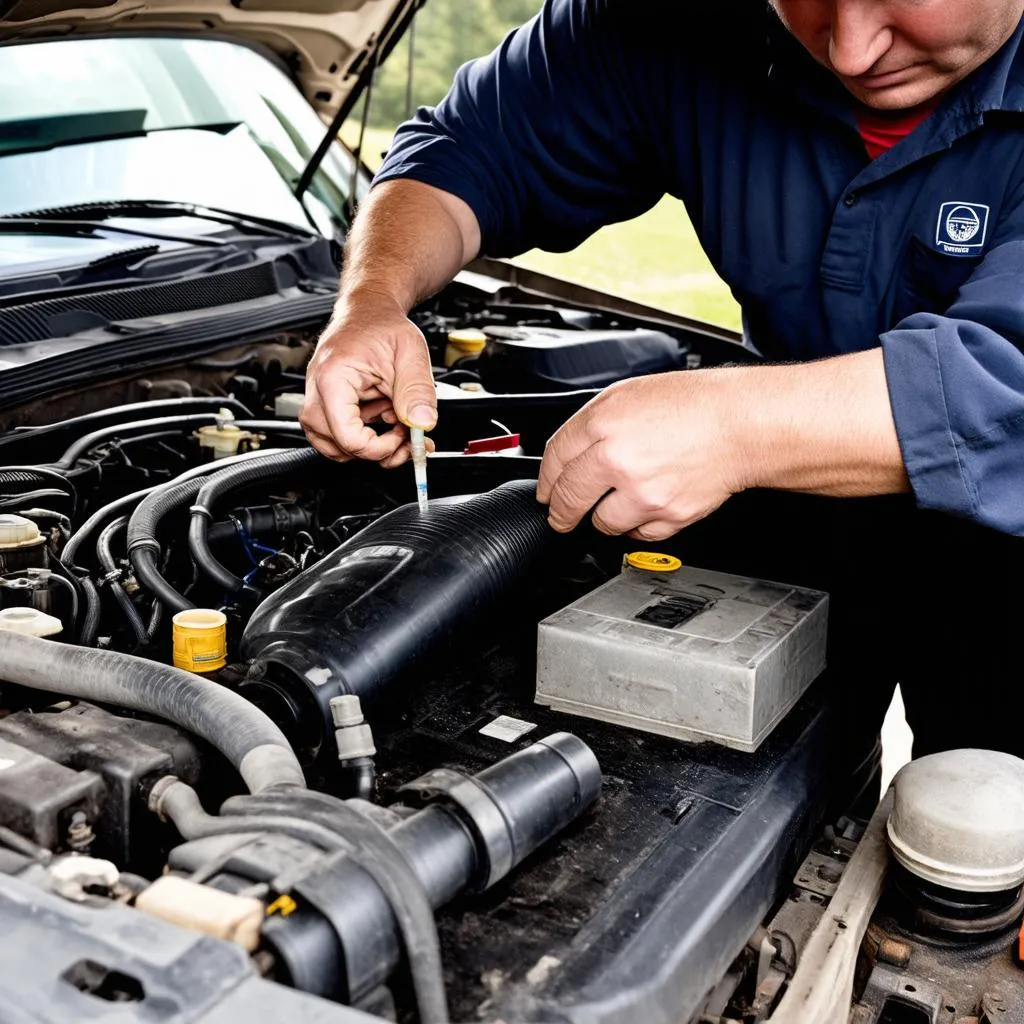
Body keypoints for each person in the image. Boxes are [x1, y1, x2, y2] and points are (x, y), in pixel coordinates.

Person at [302, 0, 1024, 760]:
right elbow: (462, 151)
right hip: (802, 500)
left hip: (1009, 541)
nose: (847, 51)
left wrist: (732, 426)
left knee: (984, 812)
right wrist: (372, 301)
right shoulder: (673, 17)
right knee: (796, 761)